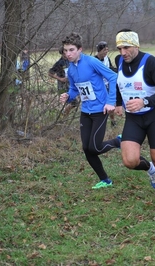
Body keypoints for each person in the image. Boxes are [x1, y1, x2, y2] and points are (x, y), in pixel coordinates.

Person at [114, 29, 155, 212]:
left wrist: (144, 101)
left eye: (126, 47)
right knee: (130, 161)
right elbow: (119, 83)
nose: (123, 52)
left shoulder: (150, 62)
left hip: (153, 116)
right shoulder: (119, 61)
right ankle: (150, 170)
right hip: (133, 119)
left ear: (136, 45)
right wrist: (118, 103)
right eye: (119, 48)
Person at [59, 32, 121, 190]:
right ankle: (105, 180)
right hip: (85, 111)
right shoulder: (71, 69)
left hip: (100, 110)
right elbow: (74, 89)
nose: (68, 53)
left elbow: (113, 77)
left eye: (71, 50)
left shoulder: (92, 61)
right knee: (86, 148)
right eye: (65, 50)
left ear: (80, 49)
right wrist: (68, 96)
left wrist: (111, 101)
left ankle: (118, 141)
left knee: (95, 147)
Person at [48, 46, 79, 116]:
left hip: (70, 84)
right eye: (65, 53)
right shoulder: (59, 63)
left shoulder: (70, 61)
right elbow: (50, 73)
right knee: (70, 101)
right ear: (62, 54)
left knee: (74, 103)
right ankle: (63, 115)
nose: (67, 54)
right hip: (62, 86)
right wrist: (60, 78)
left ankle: (64, 114)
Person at [95, 41, 117, 126]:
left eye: (107, 50)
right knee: (101, 104)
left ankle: (113, 121)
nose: (106, 52)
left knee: (111, 103)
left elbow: (110, 68)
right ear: (99, 50)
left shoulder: (107, 58)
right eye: (104, 50)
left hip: (108, 84)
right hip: (99, 86)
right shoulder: (95, 60)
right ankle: (100, 121)